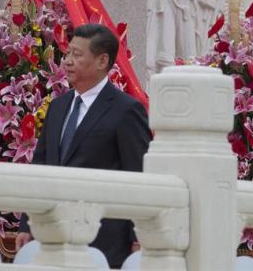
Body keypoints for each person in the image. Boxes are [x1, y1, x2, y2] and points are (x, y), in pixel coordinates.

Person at [17, 24, 152, 269]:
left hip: (104, 239)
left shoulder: (126, 111)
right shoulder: (58, 108)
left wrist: (138, 236)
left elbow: (139, 175)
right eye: (68, 53)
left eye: (77, 55)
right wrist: (28, 223)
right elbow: (40, 167)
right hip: (53, 235)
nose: (67, 61)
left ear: (102, 61)